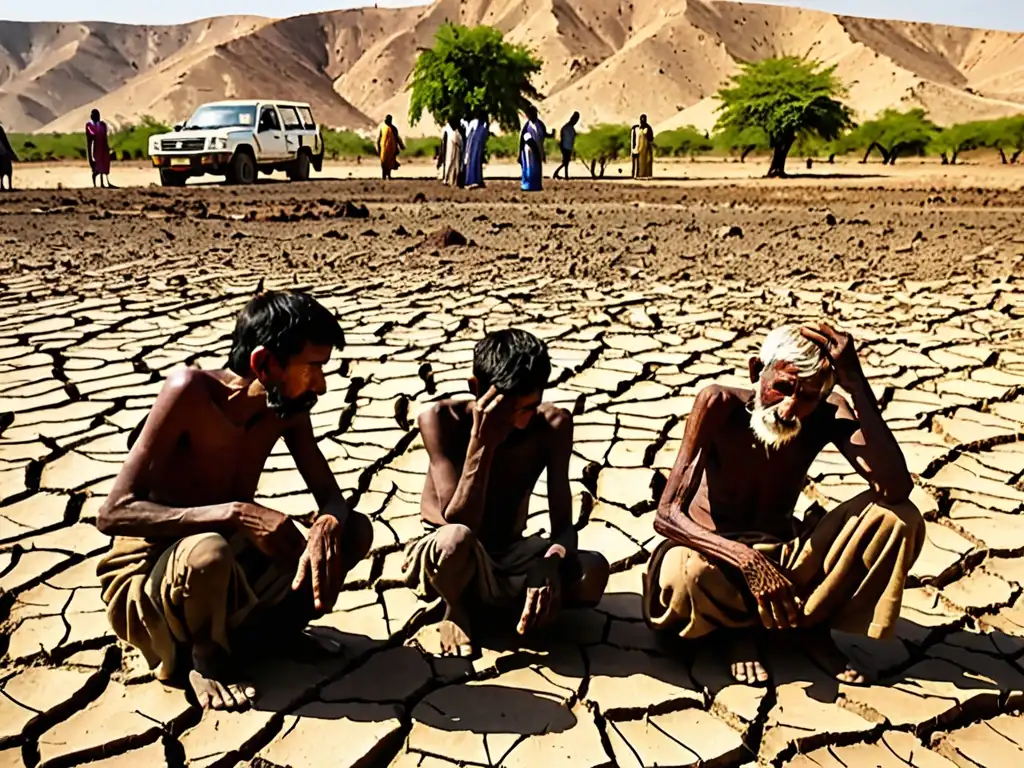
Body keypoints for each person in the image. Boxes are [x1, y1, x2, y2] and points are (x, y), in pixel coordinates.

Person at [95, 291, 374, 711]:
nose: (321, 383)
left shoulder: (289, 408)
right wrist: (238, 513)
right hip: (155, 574)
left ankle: (275, 634)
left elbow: (332, 498)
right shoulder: (190, 391)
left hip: (230, 560)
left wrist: (327, 525)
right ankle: (204, 657)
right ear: (265, 363)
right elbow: (113, 513)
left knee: (353, 531)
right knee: (210, 552)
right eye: (312, 367)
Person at [643, 323, 922, 686]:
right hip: (713, 556)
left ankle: (811, 626)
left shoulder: (827, 412)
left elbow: (896, 488)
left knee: (898, 518)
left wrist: (855, 383)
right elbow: (667, 515)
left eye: (807, 396)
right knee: (686, 576)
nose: (790, 407)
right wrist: (746, 559)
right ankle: (736, 632)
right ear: (757, 371)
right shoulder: (719, 405)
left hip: (785, 555)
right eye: (782, 388)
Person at [403, 329, 610, 657]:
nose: (519, 421)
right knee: (454, 540)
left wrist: (551, 564)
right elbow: (459, 520)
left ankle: (518, 605)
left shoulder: (551, 425)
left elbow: (564, 527)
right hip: (451, 560)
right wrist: (482, 441)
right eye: (508, 409)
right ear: (476, 388)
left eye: (529, 407)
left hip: (511, 553)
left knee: (592, 571)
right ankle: (455, 610)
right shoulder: (440, 420)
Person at [519, 105, 550, 192]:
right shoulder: (527, 126)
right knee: (529, 167)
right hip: (529, 151)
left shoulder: (540, 124)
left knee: (537, 168)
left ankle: (536, 185)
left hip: (538, 149)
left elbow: (544, 134)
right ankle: (527, 185)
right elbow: (524, 139)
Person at [86, 109, 113, 188]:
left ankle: (103, 181)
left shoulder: (102, 125)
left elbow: (105, 135)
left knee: (104, 163)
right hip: (95, 147)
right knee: (99, 163)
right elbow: (91, 135)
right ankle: (98, 181)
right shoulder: (89, 125)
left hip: (103, 147)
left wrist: (107, 146)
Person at [462, 113, 489, 188]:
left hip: (473, 145)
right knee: (475, 161)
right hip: (475, 145)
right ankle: (475, 180)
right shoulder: (482, 124)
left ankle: (472, 180)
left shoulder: (475, 123)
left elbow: (467, 134)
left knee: (473, 161)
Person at [376, 115, 405, 180]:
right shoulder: (383, 128)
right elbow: (379, 138)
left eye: (388, 119)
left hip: (392, 148)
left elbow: (397, 138)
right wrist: (378, 147)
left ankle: (389, 176)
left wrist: (401, 146)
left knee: (390, 162)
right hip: (383, 148)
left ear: (390, 120)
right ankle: (383, 176)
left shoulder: (394, 129)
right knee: (383, 162)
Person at [552, 112, 580, 180]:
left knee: (566, 162)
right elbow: (563, 137)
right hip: (565, 147)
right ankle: (560, 174)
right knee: (566, 162)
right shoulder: (567, 127)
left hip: (568, 147)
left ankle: (560, 174)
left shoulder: (569, 128)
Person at [440, 118, 464, 187]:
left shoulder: (451, 133)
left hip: (452, 151)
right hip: (455, 152)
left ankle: (449, 180)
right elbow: (460, 143)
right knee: (455, 167)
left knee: (450, 166)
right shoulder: (455, 133)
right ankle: (452, 181)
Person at [631, 115, 654, 179]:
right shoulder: (638, 128)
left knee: (647, 161)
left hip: (646, 147)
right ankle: (639, 174)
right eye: (642, 119)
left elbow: (650, 138)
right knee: (640, 161)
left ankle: (647, 175)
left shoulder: (648, 128)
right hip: (640, 147)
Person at [0, 123, 15, 191]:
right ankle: (7, 186)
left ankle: (4, 185)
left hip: (2, 152)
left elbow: (5, 141)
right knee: (7, 169)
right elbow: (5, 142)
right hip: (3, 152)